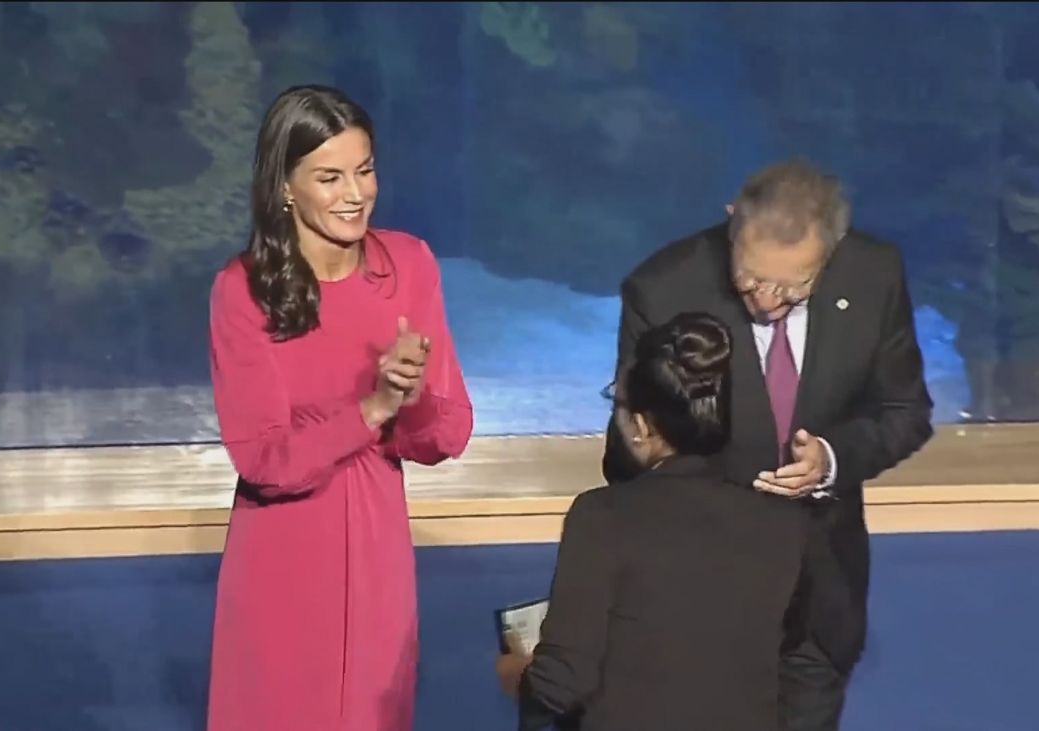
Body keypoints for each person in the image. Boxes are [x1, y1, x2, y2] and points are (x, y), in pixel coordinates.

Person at [600, 160, 934, 730]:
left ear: (832, 252)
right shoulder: (662, 289)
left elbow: (904, 412)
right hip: (702, 592)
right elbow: (625, 457)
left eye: (794, 286)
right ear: (733, 224)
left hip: (820, 586)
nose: (766, 300)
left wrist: (831, 459)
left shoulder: (873, 274)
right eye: (751, 278)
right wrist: (650, 443)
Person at [205, 84, 473, 731]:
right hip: (284, 553)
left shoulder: (407, 264)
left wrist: (409, 403)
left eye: (365, 169)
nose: (355, 194)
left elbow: (450, 432)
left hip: (378, 550)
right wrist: (371, 407)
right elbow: (263, 457)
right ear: (286, 187)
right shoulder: (242, 290)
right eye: (330, 177)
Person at [495, 311, 810, 730]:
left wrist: (515, 672)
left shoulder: (604, 517)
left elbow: (562, 683)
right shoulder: (784, 523)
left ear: (641, 425)